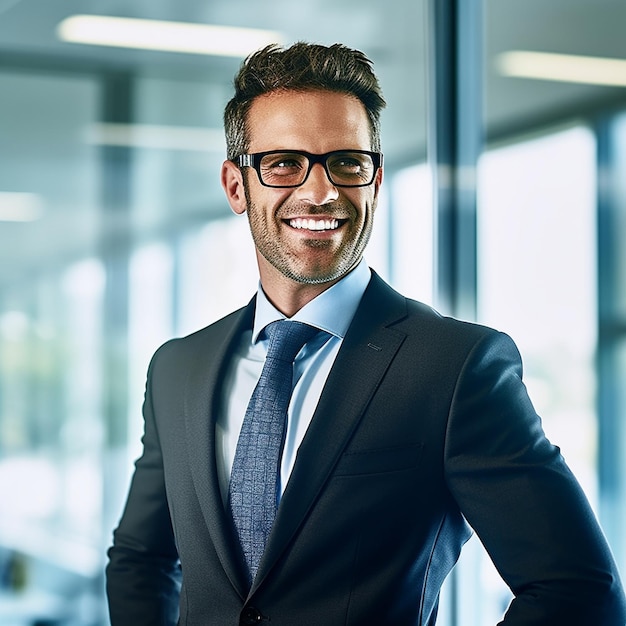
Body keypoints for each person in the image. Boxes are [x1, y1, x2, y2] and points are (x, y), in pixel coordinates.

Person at [106, 42, 626, 625]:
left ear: (375, 180)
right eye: (283, 163)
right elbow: (140, 559)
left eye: (346, 163)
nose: (320, 191)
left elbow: (578, 591)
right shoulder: (178, 367)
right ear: (235, 186)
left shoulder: (455, 367)